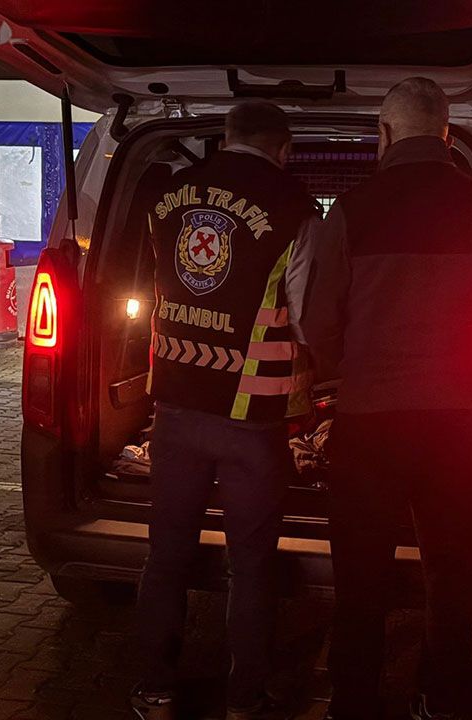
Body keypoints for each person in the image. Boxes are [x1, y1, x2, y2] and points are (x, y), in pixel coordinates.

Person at [296, 77, 472, 720]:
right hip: (457, 422)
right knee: (452, 575)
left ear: (385, 134)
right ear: (446, 135)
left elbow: (317, 323)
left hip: (369, 424)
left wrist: (350, 364)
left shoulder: (351, 211)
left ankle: (353, 703)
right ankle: (441, 699)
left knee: (361, 576)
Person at [133, 101, 320, 720]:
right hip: (252, 420)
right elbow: (308, 317)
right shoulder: (296, 209)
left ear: (227, 136)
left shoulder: (168, 197)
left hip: (175, 408)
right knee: (251, 565)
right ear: (284, 149)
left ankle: (155, 691)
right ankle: (245, 700)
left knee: (166, 556)